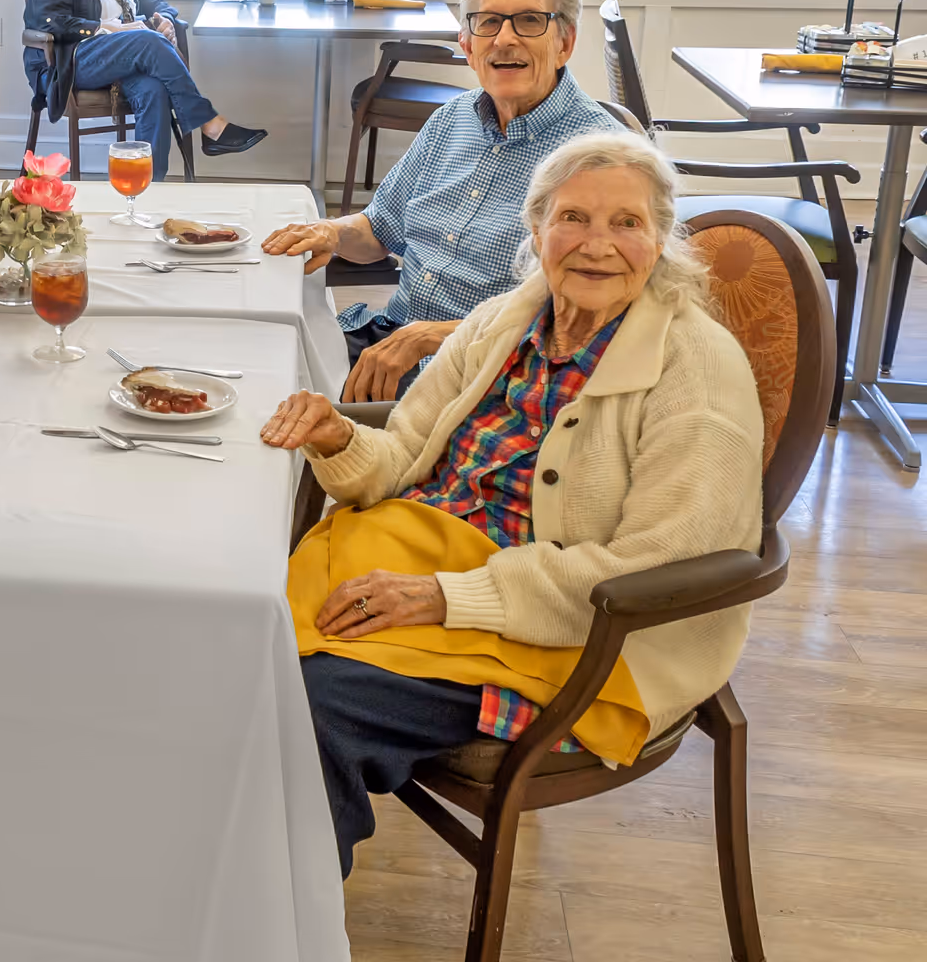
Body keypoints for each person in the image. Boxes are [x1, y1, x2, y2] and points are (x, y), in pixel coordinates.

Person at [260, 132, 763, 878]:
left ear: (661, 239)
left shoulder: (698, 369)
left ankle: (274, 927)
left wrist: (448, 597)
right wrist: (338, 440)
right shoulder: (502, 319)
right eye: (573, 219)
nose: (598, 245)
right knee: (240, 656)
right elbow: (400, 458)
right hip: (423, 563)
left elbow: (665, 561)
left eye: (626, 222)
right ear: (535, 232)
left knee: (302, 711)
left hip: (576, 638)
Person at [263, 0, 623, 402]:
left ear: (565, 42)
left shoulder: (604, 161)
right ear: (468, 44)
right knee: (245, 370)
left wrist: (431, 337)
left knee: (273, 425)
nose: (504, 39)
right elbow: (378, 231)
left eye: (529, 20)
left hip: (487, 385)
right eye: (488, 21)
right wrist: (331, 233)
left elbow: (589, 325)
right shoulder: (451, 120)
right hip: (388, 346)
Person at [24, 0, 267, 181]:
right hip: (70, 62)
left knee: (154, 88)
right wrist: (109, 29)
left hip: (122, 61)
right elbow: (48, 20)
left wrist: (164, 19)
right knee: (147, 40)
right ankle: (210, 124)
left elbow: (158, 5)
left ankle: (149, 190)